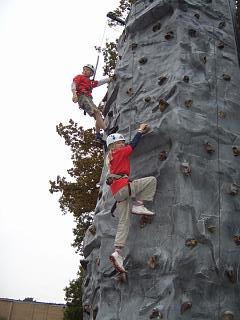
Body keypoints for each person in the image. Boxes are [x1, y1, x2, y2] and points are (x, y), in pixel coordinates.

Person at [106, 124, 157, 273]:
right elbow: (133, 145)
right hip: (123, 187)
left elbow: (127, 147)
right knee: (151, 181)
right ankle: (139, 204)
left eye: (122, 142)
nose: (123, 144)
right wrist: (140, 131)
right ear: (114, 146)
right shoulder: (119, 152)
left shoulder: (111, 157)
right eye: (120, 142)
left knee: (124, 222)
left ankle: (117, 252)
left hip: (118, 193)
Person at [71, 64, 111, 141]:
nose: (85, 71)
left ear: (91, 73)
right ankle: (107, 130)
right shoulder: (80, 77)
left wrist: (109, 79)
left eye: (88, 70)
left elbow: (99, 82)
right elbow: (74, 85)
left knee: (98, 114)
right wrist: (74, 95)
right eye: (84, 69)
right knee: (96, 113)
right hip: (82, 96)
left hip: (88, 98)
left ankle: (98, 134)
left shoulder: (90, 82)